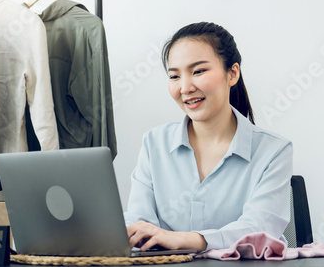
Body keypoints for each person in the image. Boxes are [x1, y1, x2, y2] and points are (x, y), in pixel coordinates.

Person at [124, 22, 293, 253]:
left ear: (232, 73)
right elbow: (139, 222)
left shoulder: (273, 150)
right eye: (174, 76)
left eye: (198, 71)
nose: (185, 87)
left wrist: (188, 240)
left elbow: (259, 229)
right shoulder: (154, 143)